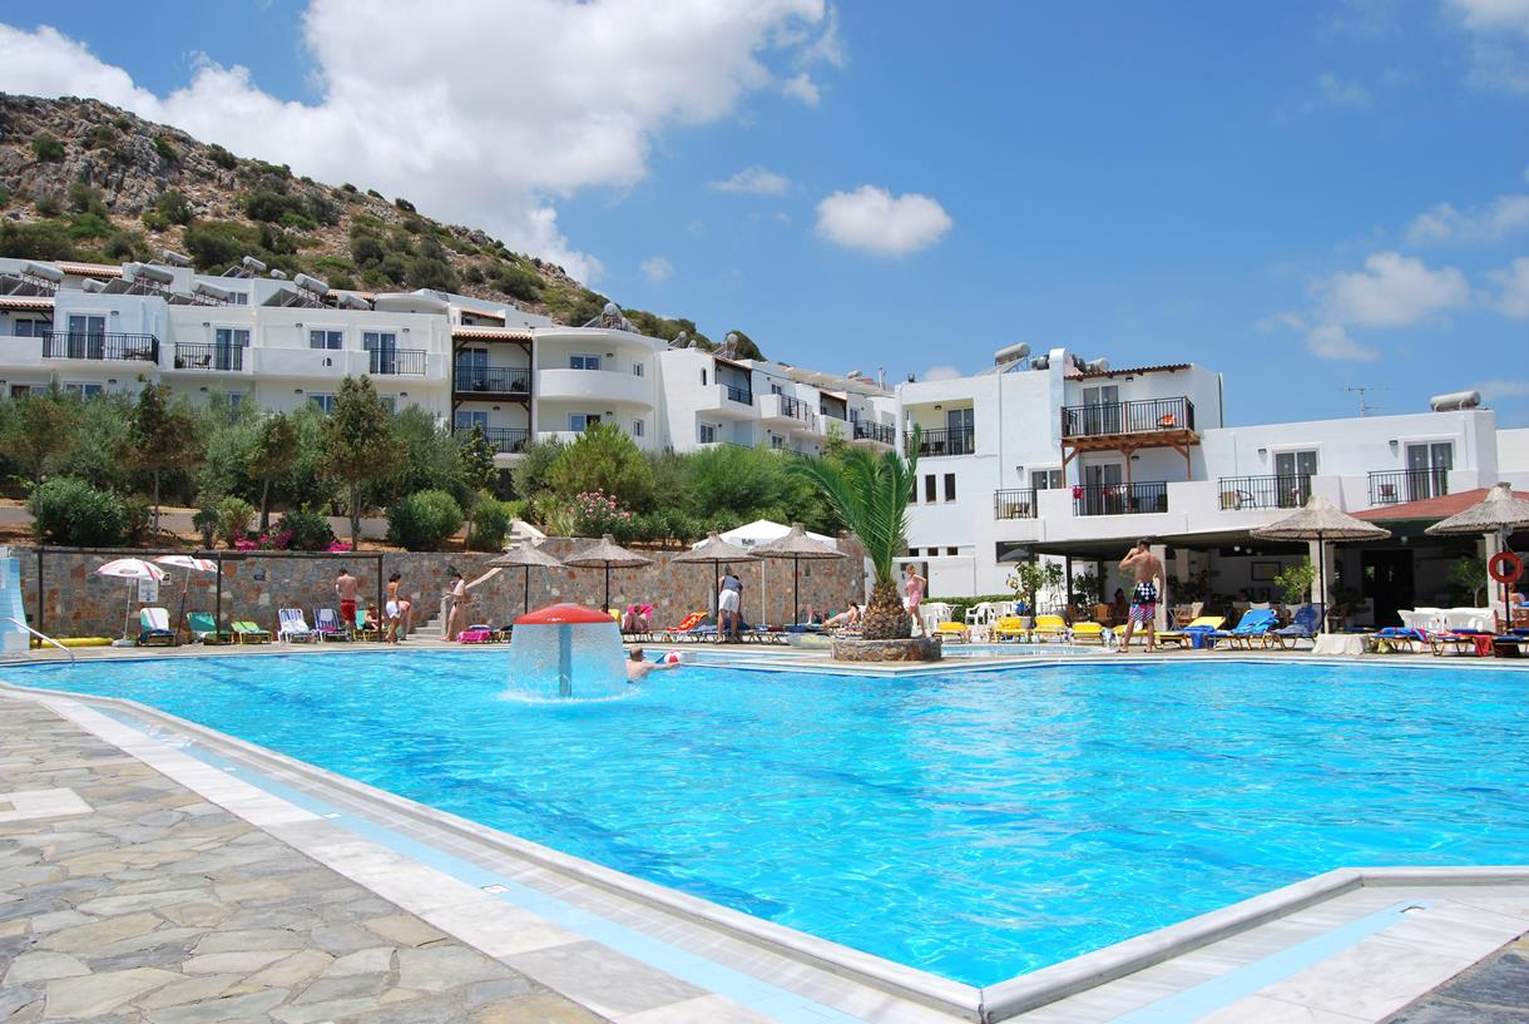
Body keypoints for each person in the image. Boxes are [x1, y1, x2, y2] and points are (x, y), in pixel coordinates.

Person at [1117, 539, 1165, 653]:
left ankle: (1125, 646)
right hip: (1150, 589)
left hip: (1141, 589)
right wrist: (1160, 594)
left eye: (1138, 546)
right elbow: (1161, 578)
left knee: (1132, 618)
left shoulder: (1138, 558)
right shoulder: (1156, 560)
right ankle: (1149, 647)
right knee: (1149, 620)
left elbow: (1121, 566)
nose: (1137, 548)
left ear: (1142, 546)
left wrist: (1130, 553)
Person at [385, 572, 413, 643]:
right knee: (396, 623)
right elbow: (395, 594)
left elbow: (390, 594)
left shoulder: (388, 585)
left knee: (394, 622)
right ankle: (389, 635)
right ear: (397, 578)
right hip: (393, 604)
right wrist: (397, 604)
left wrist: (400, 598)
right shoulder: (396, 584)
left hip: (388, 604)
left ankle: (391, 640)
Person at [718, 566, 743, 642]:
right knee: (734, 617)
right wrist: (738, 612)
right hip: (736, 594)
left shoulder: (727, 577)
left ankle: (719, 637)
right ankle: (733, 637)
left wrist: (720, 592)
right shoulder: (739, 583)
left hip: (726, 591)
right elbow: (740, 598)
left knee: (721, 614)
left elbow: (720, 580)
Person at [444, 568, 469, 641]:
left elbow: (460, 595)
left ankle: (465, 637)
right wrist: (453, 587)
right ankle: (448, 636)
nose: (453, 580)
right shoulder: (458, 584)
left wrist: (450, 593)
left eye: (454, 578)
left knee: (461, 622)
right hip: (456, 603)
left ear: (457, 577)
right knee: (451, 620)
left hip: (460, 603)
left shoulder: (461, 584)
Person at [902, 563, 927, 635]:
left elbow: (924, 580)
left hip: (915, 597)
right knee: (918, 616)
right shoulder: (910, 577)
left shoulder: (915, 576)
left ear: (912, 570)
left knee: (908, 614)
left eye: (908, 570)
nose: (907, 571)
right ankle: (924, 633)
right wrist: (907, 589)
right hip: (912, 597)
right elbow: (912, 586)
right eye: (907, 570)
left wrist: (921, 590)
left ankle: (904, 631)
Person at [334, 567, 359, 633]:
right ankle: (352, 634)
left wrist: (340, 592)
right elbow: (356, 590)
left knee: (347, 618)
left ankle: (348, 633)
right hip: (352, 601)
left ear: (341, 573)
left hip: (344, 601)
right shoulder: (353, 579)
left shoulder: (340, 579)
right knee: (352, 619)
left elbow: (338, 590)